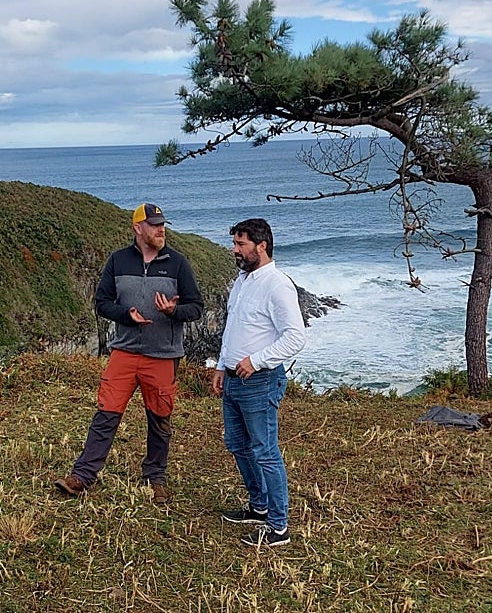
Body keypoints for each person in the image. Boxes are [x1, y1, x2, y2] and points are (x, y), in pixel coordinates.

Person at [54, 203, 204, 505]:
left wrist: (173, 311)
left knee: (160, 419)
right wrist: (126, 315)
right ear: (138, 228)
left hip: (163, 355)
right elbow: (102, 303)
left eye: (163, 224)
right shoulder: (118, 260)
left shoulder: (177, 263)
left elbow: (196, 307)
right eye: (154, 225)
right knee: (106, 414)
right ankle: (82, 476)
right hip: (124, 353)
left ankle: (155, 477)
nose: (161, 229)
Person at [212, 217, 306, 547]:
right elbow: (233, 326)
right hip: (235, 379)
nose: (234, 250)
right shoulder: (242, 280)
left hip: (261, 380)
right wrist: (222, 366)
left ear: (261, 246)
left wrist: (256, 360)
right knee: (237, 444)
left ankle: (278, 526)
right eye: (235, 243)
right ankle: (259, 506)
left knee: (265, 452)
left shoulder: (277, 284)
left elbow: (295, 337)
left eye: (241, 244)